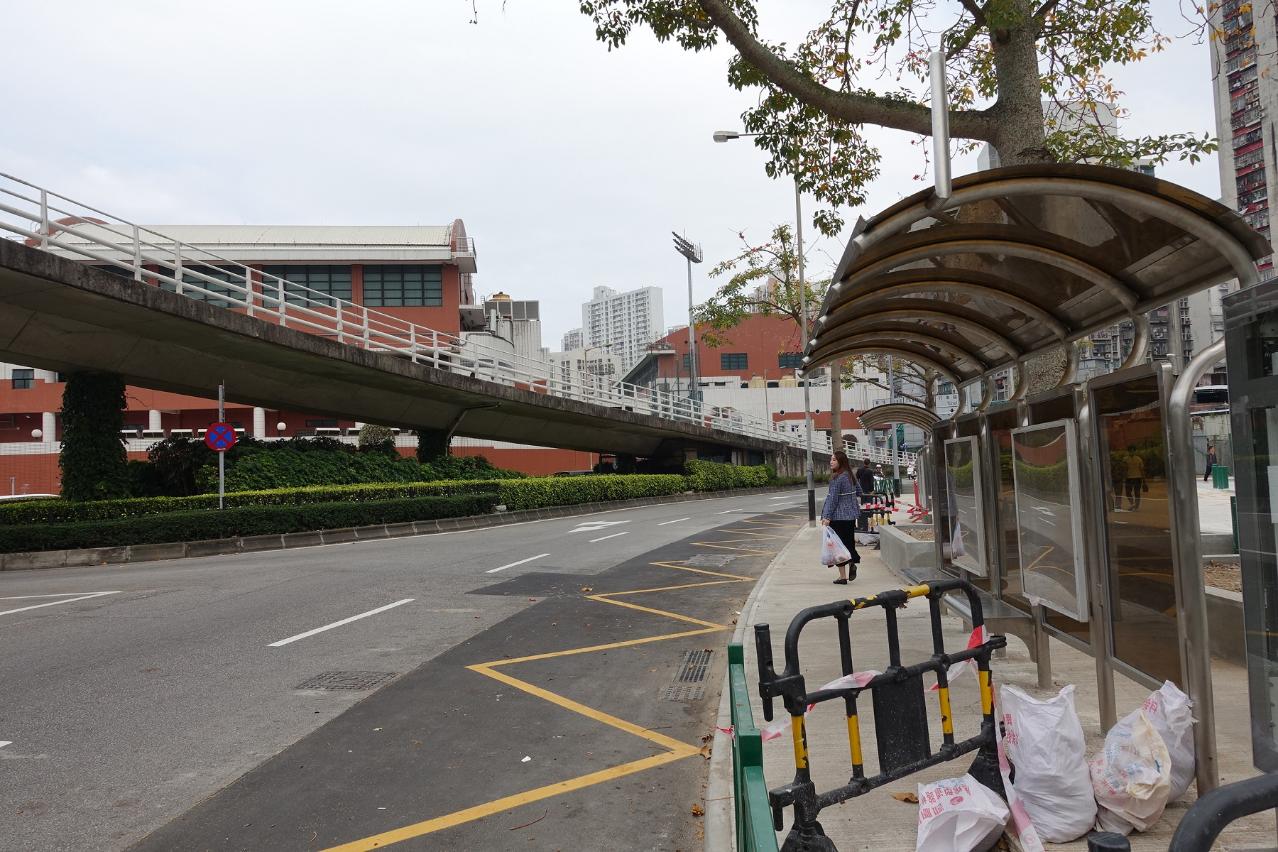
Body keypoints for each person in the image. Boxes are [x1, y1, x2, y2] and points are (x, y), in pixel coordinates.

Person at [821, 450, 862, 584]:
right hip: (850, 517)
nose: (831, 462)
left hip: (838, 517)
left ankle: (843, 577)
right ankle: (852, 561)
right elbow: (859, 492)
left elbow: (832, 499)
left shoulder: (837, 478)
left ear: (841, 462)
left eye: (834, 460)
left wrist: (827, 517)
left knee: (838, 547)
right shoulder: (850, 475)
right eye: (831, 459)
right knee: (848, 543)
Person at [855, 458, 876, 531]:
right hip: (868, 491)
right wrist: (872, 490)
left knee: (863, 506)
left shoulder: (859, 470)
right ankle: (869, 522)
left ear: (863, 463)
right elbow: (871, 482)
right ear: (869, 463)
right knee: (869, 507)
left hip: (861, 491)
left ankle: (863, 523)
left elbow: (856, 479)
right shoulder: (870, 471)